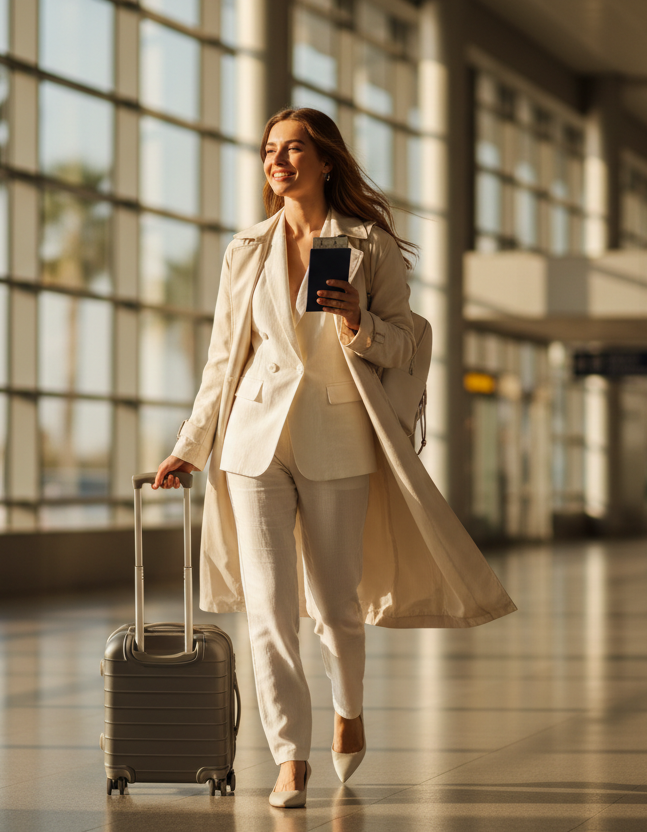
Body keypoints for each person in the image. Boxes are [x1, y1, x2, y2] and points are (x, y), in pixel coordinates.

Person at [151, 108, 515, 808]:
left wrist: (358, 322)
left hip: (338, 436)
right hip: (253, 442)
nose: (278, 160)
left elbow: (408, 341)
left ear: (325, 162)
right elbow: (224, 359)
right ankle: (289, 756)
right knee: (267, 609)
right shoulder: (246, 249)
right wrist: (188, 448)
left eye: (294, 149)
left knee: (335, 606)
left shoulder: (369, 247)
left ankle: (349, 709)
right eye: (269, 150)